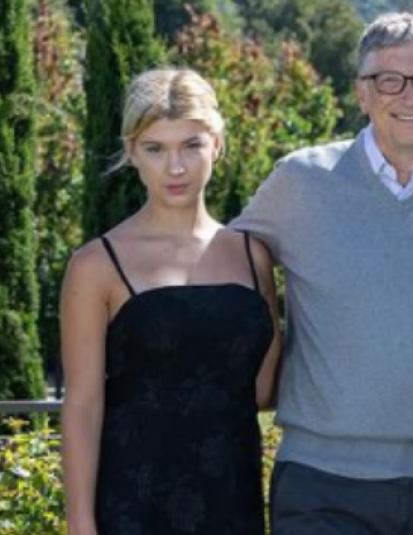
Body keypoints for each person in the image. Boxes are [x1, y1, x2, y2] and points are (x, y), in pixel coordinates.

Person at [229, 12, 413, 535]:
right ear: (362, 93)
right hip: (321, 485)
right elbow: (220, 266)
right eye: (388, 80)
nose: (409, 95)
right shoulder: (301, 181)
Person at [60, 68, 282, 535]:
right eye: (155, 149)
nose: (175, 167)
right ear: (131, 152)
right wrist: (80, 524)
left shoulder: (254, 256)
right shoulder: (95, 265)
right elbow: (82, 405)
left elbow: (263, 390)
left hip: (232, 500)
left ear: (217, 144)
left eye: (191, 145)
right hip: (132, 504)